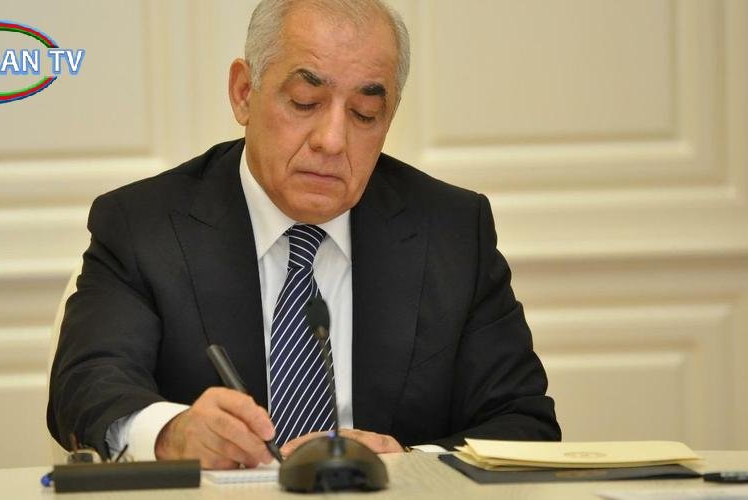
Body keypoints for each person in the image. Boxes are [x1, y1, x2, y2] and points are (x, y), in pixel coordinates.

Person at [47, 0, 560, 470]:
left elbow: (523, 423)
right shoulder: (144, 225)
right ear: (244, 93)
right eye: (304, 101)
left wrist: (408, 461)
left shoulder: (451, 232)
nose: (332, 141)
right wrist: (172, 434)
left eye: (364, 114)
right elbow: (87, 385)